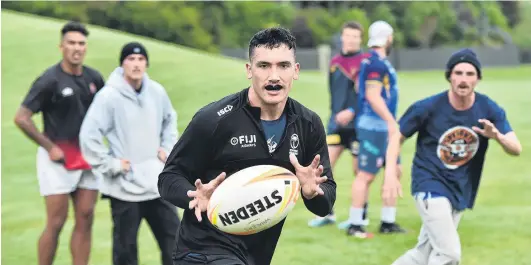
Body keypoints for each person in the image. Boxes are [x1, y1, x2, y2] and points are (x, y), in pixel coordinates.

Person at [158, 27, 337, 265]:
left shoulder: (308, 124)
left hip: (255, 256)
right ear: (249, 70)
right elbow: (169, 177)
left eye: (283, 65)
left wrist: (312, 192)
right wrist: (193, 195)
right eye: (264, 66)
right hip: (202, 252)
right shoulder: (215, 120)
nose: (274, 76)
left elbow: (325, 203)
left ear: (295, 71)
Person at [389, 48, 522, 265]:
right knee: (449, 254)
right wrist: (390, 173)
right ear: (449, 76)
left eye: (470, 74)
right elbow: (397, 135)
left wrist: (496, 135)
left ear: (478, 79)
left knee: (422, 255)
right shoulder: (429, 107)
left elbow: (516, 148)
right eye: (458, 73)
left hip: (460, 189)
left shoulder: (487, 109)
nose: (463, 79)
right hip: (429, 185)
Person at [79, 42, 180, 265]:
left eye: (141, 60)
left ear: (146, 64)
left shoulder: (156, 91)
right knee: (125, 252)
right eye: (131, 60)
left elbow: (169, 121)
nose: (136, 64)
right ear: (122, 64)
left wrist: (167, 149)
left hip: (156, 185)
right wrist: (111, 165)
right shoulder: (108, 97)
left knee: (175, 244)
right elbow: (89, 136)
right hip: (124, 188)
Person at [13, 21, 104, 265]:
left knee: (86, 216)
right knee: (56, 221)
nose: (77, 48)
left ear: (86, 47)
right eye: (71, 43)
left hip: (88, 158)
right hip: (56, 160)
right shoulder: (49, 80)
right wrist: (49, 146)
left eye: (81, 43)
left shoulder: (94, 78)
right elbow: (21, 118)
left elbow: (107, 114)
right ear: (61, 46)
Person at [345, 20, 406, 238]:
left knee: (395, 171)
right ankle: (355, 225)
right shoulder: (375, 64)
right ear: (388, 38)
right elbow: (372, 95)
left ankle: (388, 222)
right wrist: (391, 121)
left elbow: (359, 87)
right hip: (375, 127)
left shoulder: (372, 62)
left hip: (382, 127)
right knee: (366, 175)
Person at [308, 21, 371, 228]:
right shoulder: (334, 62)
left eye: (355, 36)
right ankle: (327, 213)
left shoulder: (366, 62)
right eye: (348, 36)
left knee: (359, 172)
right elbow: (335, 94)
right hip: (336, 125)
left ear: (360, 39)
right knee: (324, 169)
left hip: (358, 127)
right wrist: (335, 114)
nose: (351, 39)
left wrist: (352, 111)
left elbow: (369, 96)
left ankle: (360, 217)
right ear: (342, 37)